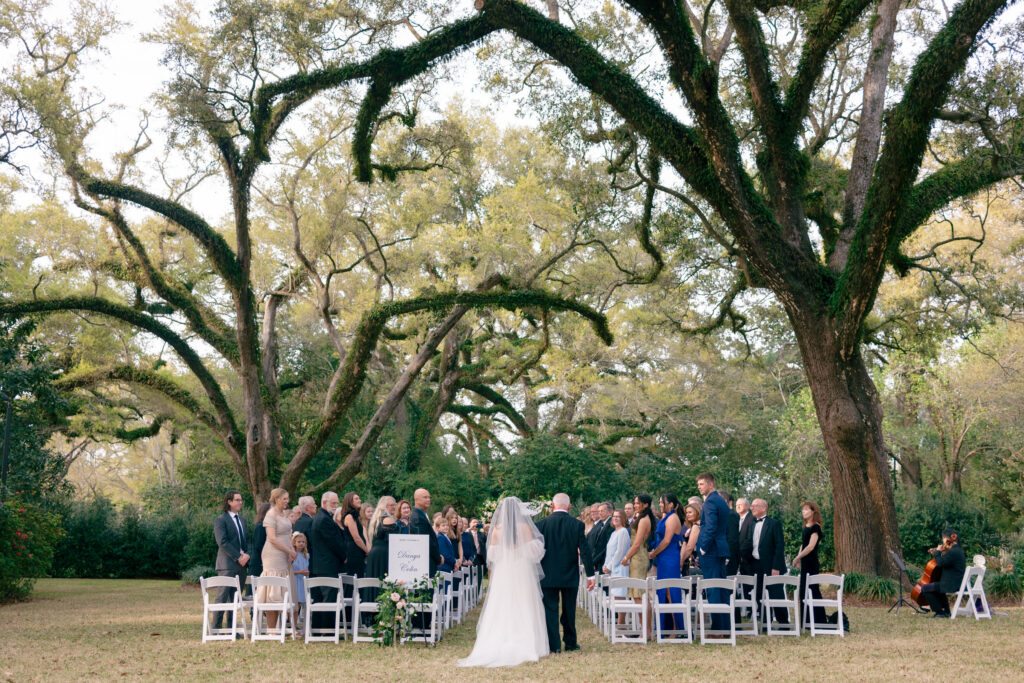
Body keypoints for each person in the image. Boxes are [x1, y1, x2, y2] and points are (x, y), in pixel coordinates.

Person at [457, 497, 549, 667]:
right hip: (521, 569)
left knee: (502, 603)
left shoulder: (497, 530)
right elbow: (534, 553)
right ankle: (527, 641)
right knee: (524, 602)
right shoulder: (524, 527)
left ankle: (500, 638)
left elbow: (492, 556)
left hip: (504, 571)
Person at [536, 493, 594, 654]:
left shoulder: (541, 524)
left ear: (553, 506)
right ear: (569, 507)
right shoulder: (577, 525)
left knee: (550, 609)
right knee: (569, 609)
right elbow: (585, 551)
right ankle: (570, 642)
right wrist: (591, 575)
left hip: (547, 574)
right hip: (570, 573)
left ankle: (553, 645)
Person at [696, 473, 731, 631]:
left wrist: (703, 547)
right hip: (720, 549)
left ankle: (718, 630)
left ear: (711, 484)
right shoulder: (721, 501)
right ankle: (724, 627)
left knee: (713, 589)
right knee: (721, 588)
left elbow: (710, 527)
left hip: (711, 550)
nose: (699, 487)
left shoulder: (710, 502)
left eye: (702, 484)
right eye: (698, 484)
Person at [259, 487, 297, 632]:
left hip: (285, 555)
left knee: (286, 588)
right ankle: (271, 629)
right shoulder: (271, 515)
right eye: (284, 499)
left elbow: (287, 533)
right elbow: (272, 538)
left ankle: (288, 627)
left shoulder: (283, 515)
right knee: (273, 590)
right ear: (276, 500)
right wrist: (288, 550)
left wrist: (292, 549)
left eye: (288, 498)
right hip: (273, 555)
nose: (287, 501)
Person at [747, 498, 788, 626]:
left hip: (772, 566)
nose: (752, 508)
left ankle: (783, 623)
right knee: (760, 594)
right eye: (752, 506)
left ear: (764, 508)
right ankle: (765, 623)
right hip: (756, 564)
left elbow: (779, 546)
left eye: (755, 506)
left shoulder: (774, 524)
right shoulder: (752, 523)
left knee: (776, 593)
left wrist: (776, 567)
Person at [212, 490, 250, 631]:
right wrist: (238, 556)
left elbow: (247, 541)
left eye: (241, 500)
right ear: (229, 502)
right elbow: (222, 542)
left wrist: (247, 555)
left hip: (241, 566)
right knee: (222, 597)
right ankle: (216, 629)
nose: (240, 502)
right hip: (227, 565)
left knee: (235, 599)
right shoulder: (221, 520)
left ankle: (232, 629)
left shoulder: (243, 520)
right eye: (237, 500)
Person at [308, 491, 346, 629]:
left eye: (337, 503)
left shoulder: (321, 517)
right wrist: (344, 556)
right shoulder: (324, 519)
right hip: (326, 565)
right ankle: (328, 630)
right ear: (324, 503)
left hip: (321, 565)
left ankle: (318, 629)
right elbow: (333, 542)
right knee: (328, 599)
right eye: (333, 503)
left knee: (319, 599)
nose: (336, 506)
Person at [621, 494, 654, 637]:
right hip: (638, 556)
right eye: (634, 503)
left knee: (640, 594)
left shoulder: (644, 520)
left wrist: (626, 557)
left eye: (638, 503)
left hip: (639, 557)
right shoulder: (640, 518)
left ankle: (646, 630)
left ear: (645, 505)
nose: (635, 505)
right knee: (637, 595)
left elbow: (637, 543)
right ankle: (644, 629)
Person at [649, 493, 683, 632]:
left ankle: (676, 629)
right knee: (663, 592)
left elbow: (667, 540)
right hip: (663, 559)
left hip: (669, 558)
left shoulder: (673, 518)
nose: (661, 504)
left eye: (663, 502)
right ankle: (666, 627)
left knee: (670, 592)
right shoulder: (666, 517)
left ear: (671, 504)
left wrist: (653, 553)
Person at [919, 528, 966, 618]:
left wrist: (937, 552)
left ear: (949, 539)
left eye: (943, 539)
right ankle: (946, 612)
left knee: (925, 588)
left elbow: (940, 563)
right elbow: (945, 561)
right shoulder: (957, 550)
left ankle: (940, 612)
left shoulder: (953, 552)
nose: (943, 542)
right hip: (955, 582)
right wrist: (937, 552)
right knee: (936, 588)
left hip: (951, 584)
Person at [793, 501, 826, 627]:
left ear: (813, 511)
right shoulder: (806, 526)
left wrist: (797, 557)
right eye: (803, 510)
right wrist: (799, 558)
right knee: (803, 591)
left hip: (811, 562)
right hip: (805, 562)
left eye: (806, 509)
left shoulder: (816, 527)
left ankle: (818, 621)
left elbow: (811, 546)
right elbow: (803, 544)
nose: (804, 512)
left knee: (812, 590)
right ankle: (805, 621)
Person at [410, 488, 442, 576]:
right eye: (425, 497)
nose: (428, 500)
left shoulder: (422, 515)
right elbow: (425, 542)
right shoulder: (417, 517)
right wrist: (438, 558)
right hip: (424, 562)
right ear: (416, 499)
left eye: (429, 497)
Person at [366, 496, 398, 581]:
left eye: (395, 505)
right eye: (391, 505)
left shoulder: (376, 520)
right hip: (383, 554)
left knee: (373, 582)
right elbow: (394, 541)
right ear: (384, 506)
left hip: (374, 553)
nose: (394, 507)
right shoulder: (387, 519)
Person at [601, 509, 630, 602]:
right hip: (613, 568)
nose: (615, 518)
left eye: (618, 516)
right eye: (614, 516)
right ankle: (617, 616)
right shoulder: (614, 533)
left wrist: (609, 566)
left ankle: (621, 617)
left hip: (620, 568)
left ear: (623, 518)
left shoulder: (623, 531)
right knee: (614, 595)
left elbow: (620, 552)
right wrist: (606, 565)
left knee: (619, 594)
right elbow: (610, 552)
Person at [341, 492, 368, 577]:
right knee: (356, 575)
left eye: (359, 498)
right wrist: (366, 550)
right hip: (354, 551)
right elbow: (356, 537)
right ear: (350, 502)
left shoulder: (355, 516)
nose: (359, 500)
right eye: (356, 499)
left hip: (358, 550)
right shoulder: (349, 517)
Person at [586, 502, 613, 577]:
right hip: (599, 561)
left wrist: (594, 561)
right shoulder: (603, 523)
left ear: (610, 512)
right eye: (599, 511)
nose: (600, 513)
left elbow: (605, 546)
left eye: (602, 511)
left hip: (604, 561)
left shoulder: (610, 524)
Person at [248, 502, 271, 589]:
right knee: (254, 589)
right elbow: (258, 545)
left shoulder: (267, 526)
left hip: (263, 560)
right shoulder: (261, 526)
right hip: (258, 562)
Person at [291, 531, 310, 632]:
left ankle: (305, 626)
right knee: (295, 605)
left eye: (303, 542)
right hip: (295, 581)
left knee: (303, 604)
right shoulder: (292, 555)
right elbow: (290, 571)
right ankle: (293, 625)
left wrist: (307, 572)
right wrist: (299, 572)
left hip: (303, 582)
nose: (301, 543)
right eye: (299, 541)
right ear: (294, 542)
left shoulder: (307, 555)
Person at [679, 503, 701, 573]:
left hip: (695, 563)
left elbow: (689, 547)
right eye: (686, 513)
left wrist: (680, 561)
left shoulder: (696, 526)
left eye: (690, 512)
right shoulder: (698, 525)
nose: (687, 514)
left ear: (697, 512)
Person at [737, 497, 754, 576]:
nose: (738, 507)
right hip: (737, 558)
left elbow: (750, 538)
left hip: (748, 558)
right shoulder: (736, 519)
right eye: (736, 505)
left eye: (740, 505)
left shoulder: (752, 519)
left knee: (748, 584)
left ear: (747, 507)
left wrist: (741, 554)